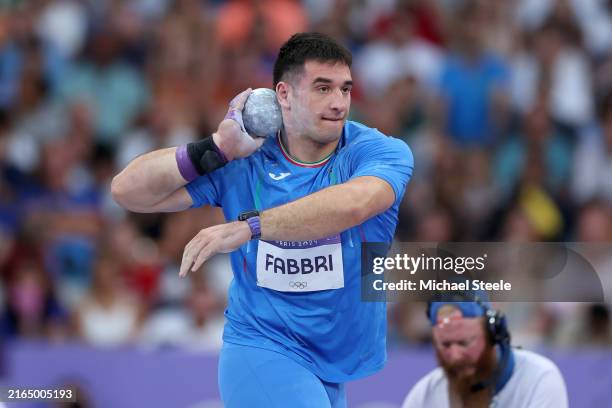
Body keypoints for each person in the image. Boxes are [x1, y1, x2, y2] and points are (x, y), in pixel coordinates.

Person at [111, 32, 414, 407]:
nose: (339, 103)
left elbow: (355, 204)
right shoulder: (245, 159)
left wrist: (250, 226)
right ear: (283, 95)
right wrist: (216, 148)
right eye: (322, 88)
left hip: (330, 364)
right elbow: (127, 191)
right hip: (262, 346)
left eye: (345, 89)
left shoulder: (377, 150)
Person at [402, 295, 568, 408]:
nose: (455, 356)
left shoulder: (539, 378)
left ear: (493, 335)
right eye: (445, 344)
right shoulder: (424, 394)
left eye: (464, 342)